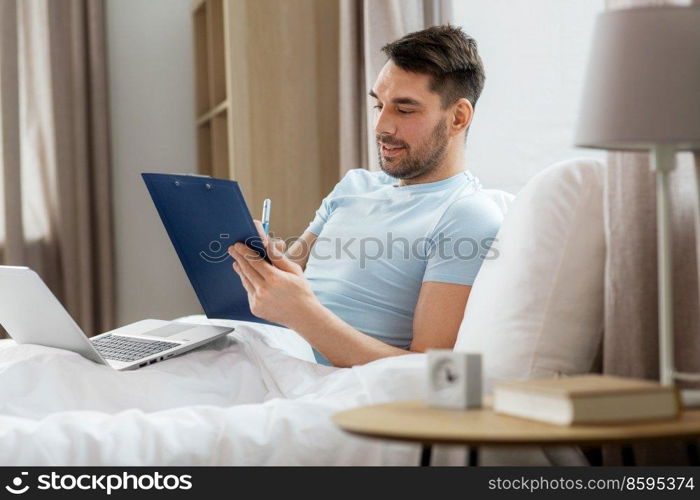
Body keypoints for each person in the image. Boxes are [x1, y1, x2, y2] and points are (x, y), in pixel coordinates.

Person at [228, 25, 503, 367]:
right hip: (265, 351)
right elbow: (291, 274)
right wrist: (258, 263)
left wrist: (302, 314)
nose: (381, 127)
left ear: (458, 117)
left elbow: (430, 372)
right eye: (379, 105)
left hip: (320, 382)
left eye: (404, 110)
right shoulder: (354, 185)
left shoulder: (466, 216)